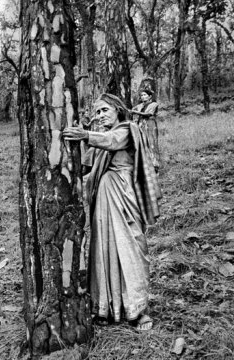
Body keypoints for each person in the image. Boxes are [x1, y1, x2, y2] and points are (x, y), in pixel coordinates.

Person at [63, 93, 161, 331]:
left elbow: (111, 140)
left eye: (104, 110)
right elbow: (88, 169)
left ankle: (138, 310)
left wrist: (85, 135)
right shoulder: (98, 144)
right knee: (103, 250)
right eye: (96, 112)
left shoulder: (128, 130)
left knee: (130, 249)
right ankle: (106, 307)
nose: (100, 116)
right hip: (103, 202)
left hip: (125, 198)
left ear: (118, 109)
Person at [130, 89, 160, 172]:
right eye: (142, 95)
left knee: (151, 143)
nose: (143, 97)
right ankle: (143, 165)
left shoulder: (154, 104)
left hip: (150, 125)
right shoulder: (139, 106)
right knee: (142, 143)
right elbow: (132, 111)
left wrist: (135, 112)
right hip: (141, 125)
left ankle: (154, 165)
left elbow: (149, 114)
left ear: (150, 96)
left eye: (145, 95)